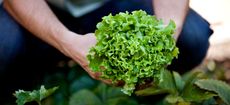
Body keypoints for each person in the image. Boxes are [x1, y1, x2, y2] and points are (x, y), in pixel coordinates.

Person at [0, 0, 213, 103]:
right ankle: (27, 88)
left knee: (192, 37)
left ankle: (142, 96)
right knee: (4, 44)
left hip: (114, 4)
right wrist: (67, 42)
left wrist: (164, 37)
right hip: (42, 8)